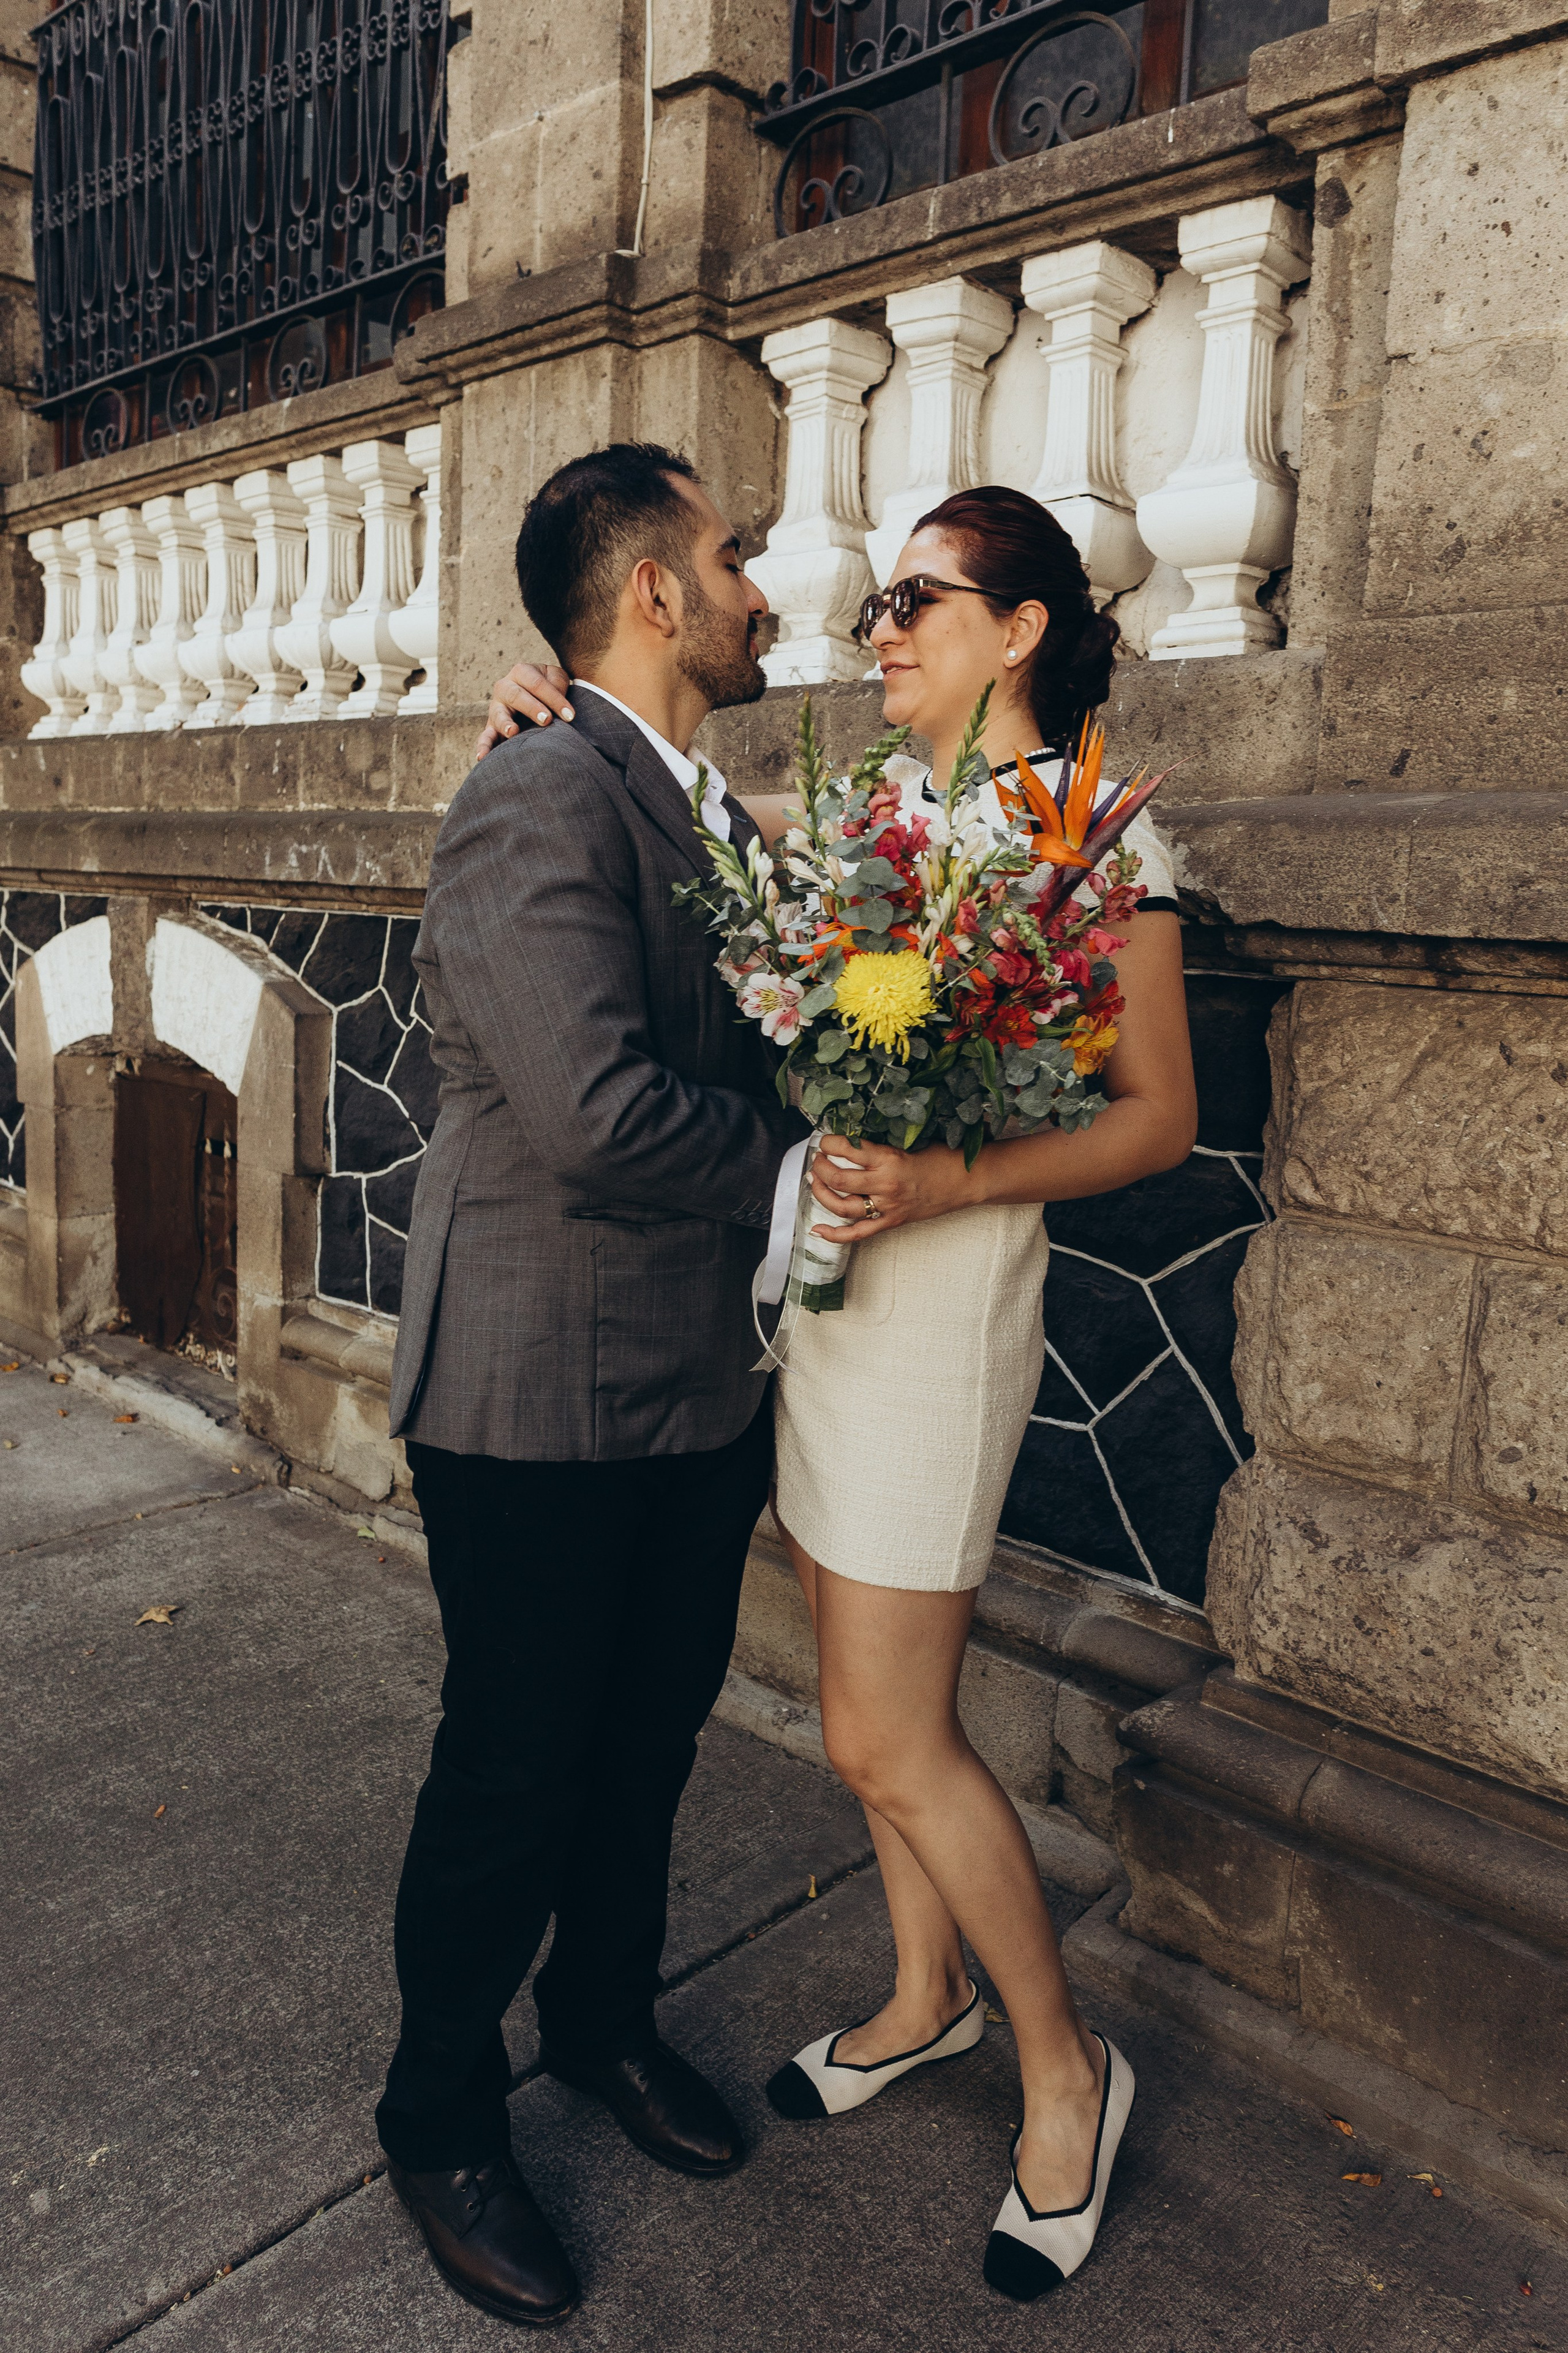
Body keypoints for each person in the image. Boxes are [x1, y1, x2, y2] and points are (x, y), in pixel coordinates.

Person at [480, 485, 1197, 2301]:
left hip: (939, 1307)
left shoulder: (1095, 834)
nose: (876, 628)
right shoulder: (872, 809)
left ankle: (1067, 2072)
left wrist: (951, 1179)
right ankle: (923, 1989)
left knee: (887, 1733)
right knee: (868, 1701)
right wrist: (543, 706)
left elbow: (1158, 1122)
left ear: (1019, 630)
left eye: (915, 600)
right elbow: (679, 812)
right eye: (874, 600)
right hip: (819, 1305)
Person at [379, 442, 807, 2327]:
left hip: (695, 1384)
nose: (759, 588)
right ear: (653, 592)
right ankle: (438, 2111)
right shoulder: (537, 790)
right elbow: (594, 1109)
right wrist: (809, 1169)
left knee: (647, 1742)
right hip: (536, 1390)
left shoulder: (701, 805)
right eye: (734, 555)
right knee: (518, 1764)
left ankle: (603, 2021)